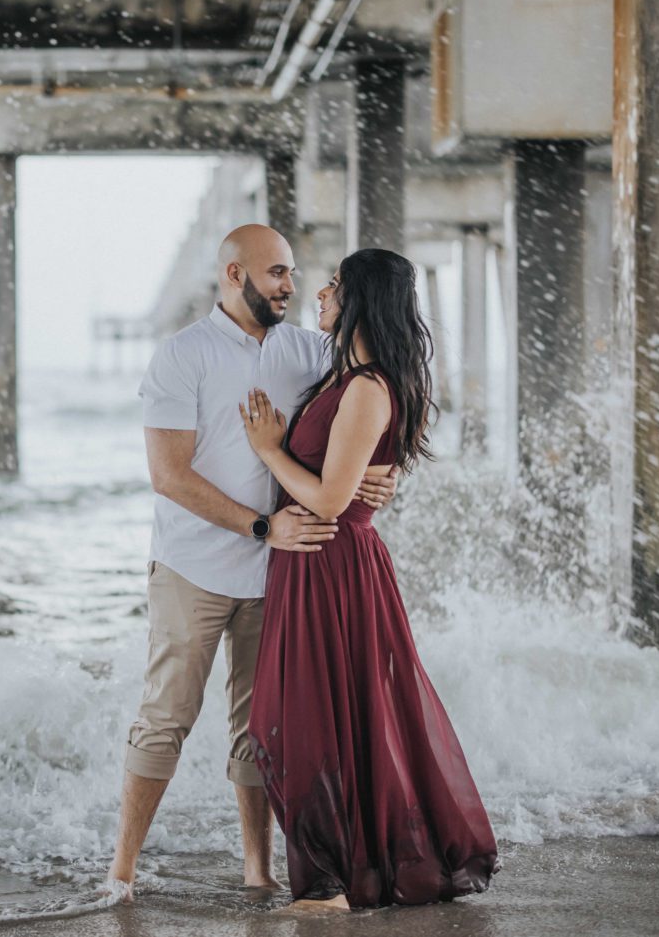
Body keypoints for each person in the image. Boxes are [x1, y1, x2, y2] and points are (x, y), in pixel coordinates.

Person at [104, 225, 398, 900]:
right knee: (167, 716)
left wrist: (385, 470)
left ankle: (258, 867)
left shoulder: (309, 350)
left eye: (293, 273)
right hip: (194, 568)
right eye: (276, 274)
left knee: (260, 727)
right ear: (234, 275)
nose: (291, 286)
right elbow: (168, 474)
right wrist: (263, 526)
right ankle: (121, 871)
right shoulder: (183, 356)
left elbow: (380, 390)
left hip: (281, 575)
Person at [240, 248, 499, 911]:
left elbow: (328, 500)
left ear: (360, 299)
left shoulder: (365, 387)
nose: (319, 293)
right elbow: (350, 480)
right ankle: (343, 870)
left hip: (331, 560)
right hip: (318, 561)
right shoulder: (344, 377)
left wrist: (269, 450)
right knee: (315, 714)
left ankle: (328, 884)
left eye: (334, 284)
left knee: (309, 717)